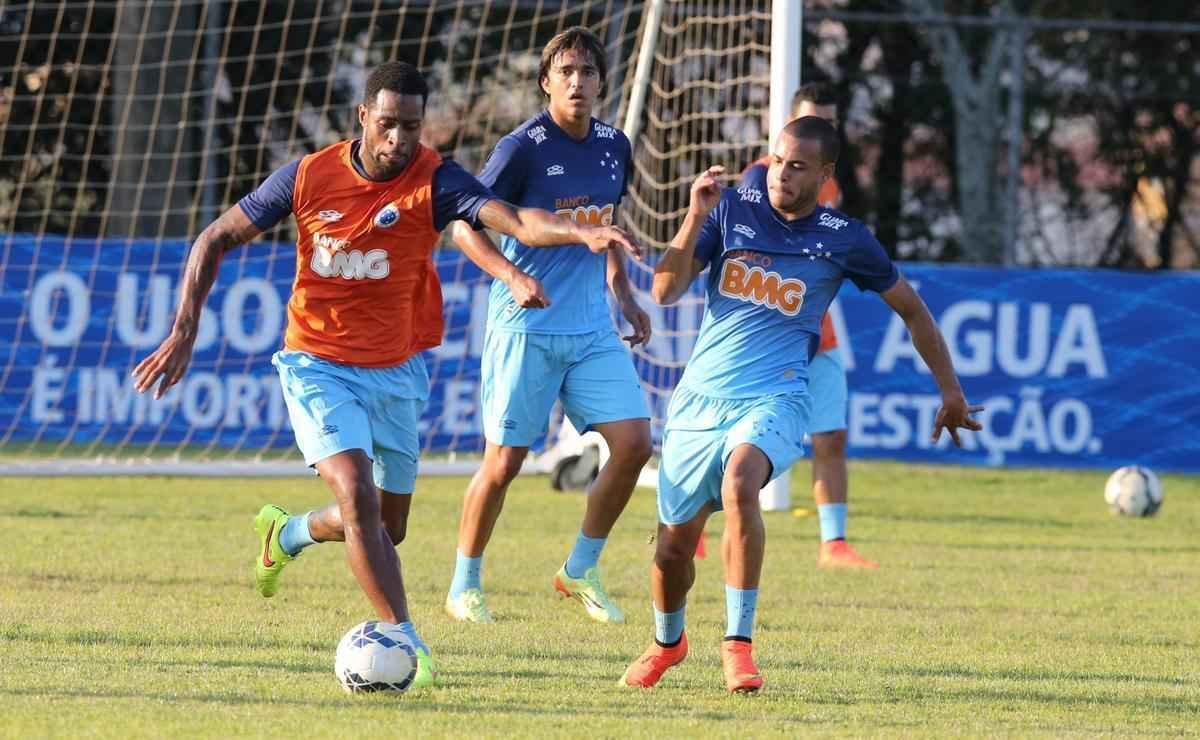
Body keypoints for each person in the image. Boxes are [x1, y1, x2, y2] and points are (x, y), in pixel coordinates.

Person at [131, 61, 641, 689]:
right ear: (362, 120)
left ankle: (286, 532)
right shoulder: (307, 176)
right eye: (388, 125)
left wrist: (578, 231)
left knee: (386, 526)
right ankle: (405, 639)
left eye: (411, 127)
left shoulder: (438, 179)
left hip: (395, 370)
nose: (399, 139)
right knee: (357, 493)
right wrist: (184, 329)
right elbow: (214, 238)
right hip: (316, 363)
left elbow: (516, 221)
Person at [620, 117, 982, 693]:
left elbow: (912, 309)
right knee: (671, 553)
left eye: (796, 166)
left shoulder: (845, 237)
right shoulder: (731, 210)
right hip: (698, 401)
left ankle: (738, 645)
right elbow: (665, 291)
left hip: (778, 394)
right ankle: (669, 642)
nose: (780, 175)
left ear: (825, 174)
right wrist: (695, 214)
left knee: (742, 483)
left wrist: (951, 390)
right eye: (776, 161)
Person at [443, 26, 653, 625]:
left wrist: (626, 295)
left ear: (602, 83)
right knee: (504, 464)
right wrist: (510, 276)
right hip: (525, 327)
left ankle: (580, 568)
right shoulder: (521, 148)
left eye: (587, 73)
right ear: (546, 82)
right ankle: (465, 583)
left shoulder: (615, 146)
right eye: (565, 72)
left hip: (589, 329)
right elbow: (463, 227)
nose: (577, 83)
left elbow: (607, 228)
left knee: (635, 443)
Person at [745, 81, 873, 568]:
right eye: (809, 119)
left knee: (831, 435)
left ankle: (833, 543)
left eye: (828, 122)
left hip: (820, 330)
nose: (819, 129)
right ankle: (695, 530)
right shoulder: (759, 178)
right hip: (772, 334)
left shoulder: (829, 183)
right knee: (742, 445)